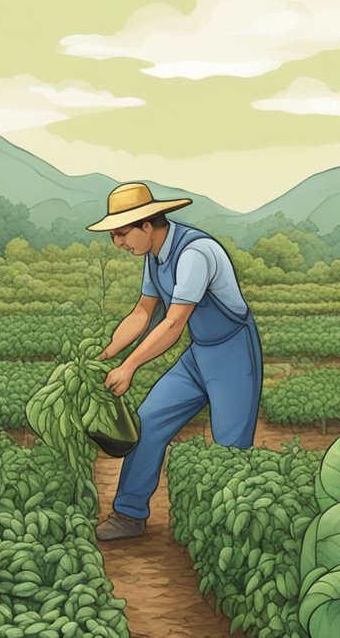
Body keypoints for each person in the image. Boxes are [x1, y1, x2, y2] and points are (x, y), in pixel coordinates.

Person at [86, 182, 263, 541]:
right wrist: (107, 354)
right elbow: (143, 311)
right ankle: (128, 514)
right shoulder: (153, 256)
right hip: (200, 354)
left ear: (146, 225)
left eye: (122, 234)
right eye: (114, 236)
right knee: (148, 423)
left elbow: (173, 322)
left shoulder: (195, 253)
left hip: (232, 354)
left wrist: (131, 365)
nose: (118, 243)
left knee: (229, 448)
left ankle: (227, 533)